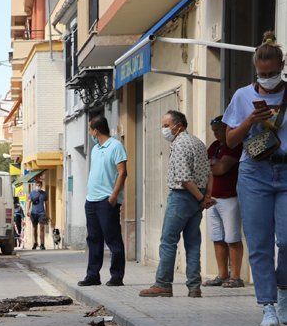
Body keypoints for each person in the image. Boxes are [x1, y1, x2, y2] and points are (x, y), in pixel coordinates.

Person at [224, 31, 287, 326]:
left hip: (286, 170)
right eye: (263, 74)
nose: (268, 78)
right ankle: (268, 306)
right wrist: (250, 120)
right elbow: (230, 141)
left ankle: (284, 291)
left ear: (282, 65)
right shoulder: (242, 96)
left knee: (286, 240)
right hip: (254, 174)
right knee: (260, 244)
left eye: (273, 73)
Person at [140, 110, 213, 298]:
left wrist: (199, 198)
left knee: (168, 241)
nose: (164, 130)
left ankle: (163, 284)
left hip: (182, 197)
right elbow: (209, 173)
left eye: (166, 126)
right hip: (198, 197)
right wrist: (205, 197)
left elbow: (184, 179)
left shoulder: (180, 144)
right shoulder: (198, 142)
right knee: (193, 242)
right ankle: (194, 287)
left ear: (179, 126)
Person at [79, 115, 127, 287]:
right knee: (93, 238)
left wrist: (114, 196)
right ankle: (93, 275)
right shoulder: (95, 149)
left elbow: (122, 172)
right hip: (91, 200)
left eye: (90, 129)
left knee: (112, 239)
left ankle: (116, 276)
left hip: (107, 201)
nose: (90, 132)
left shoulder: (116, 146)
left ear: (96, 130)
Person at [202, 116, 244, 288]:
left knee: (232, 238)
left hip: (230, 198)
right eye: (214, 131)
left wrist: (212, 164)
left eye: (219, 130)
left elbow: (220, 169)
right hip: (214, 199)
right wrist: (207, 196)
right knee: (217, 238)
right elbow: (208, 171)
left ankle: (236, 276)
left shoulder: (234, 145)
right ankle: (222, 274)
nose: (217, 134)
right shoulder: (214, 147)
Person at [27, 179, 48, 250]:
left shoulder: (44, 194)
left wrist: (47, 213)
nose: (38, 186)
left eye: (39, 185)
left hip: (41, 213)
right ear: (35, 186)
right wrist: (28, 211)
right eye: (37, 185)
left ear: (41, 186)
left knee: (42, 228)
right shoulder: (32, 193)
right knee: (34, 228)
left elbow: (47, 204)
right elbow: (29, 202)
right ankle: (35, 243)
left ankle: (42, 244)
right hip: (33, 213)